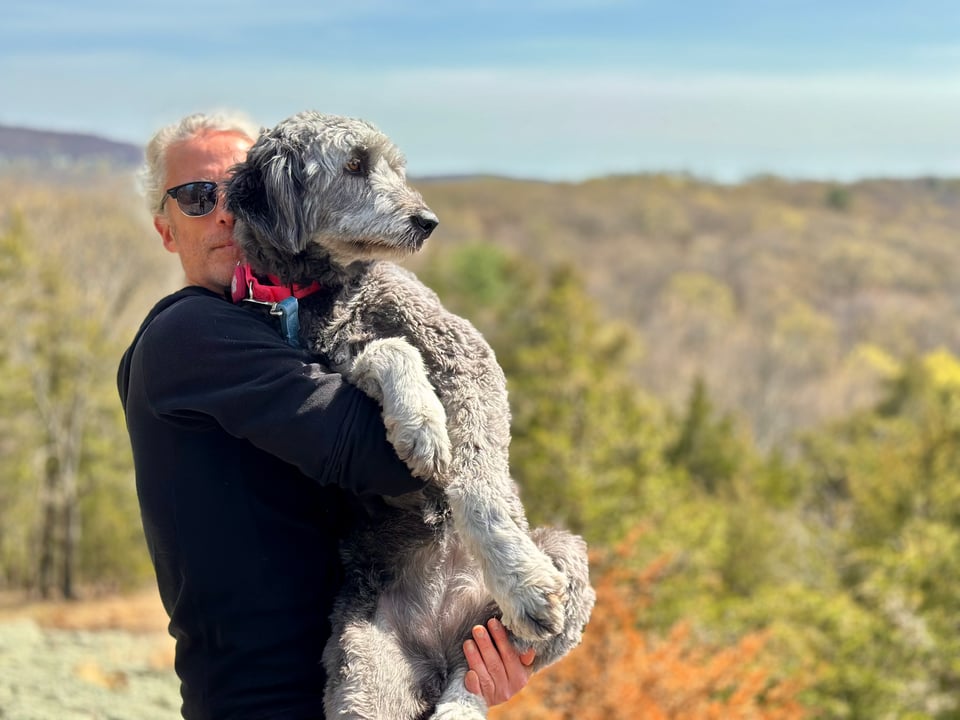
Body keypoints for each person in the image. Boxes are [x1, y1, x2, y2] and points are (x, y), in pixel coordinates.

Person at [117, 112, 534, 719]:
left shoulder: (303, 321)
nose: (229, 212)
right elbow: (393, 463)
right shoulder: (190, 334)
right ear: (165, 230)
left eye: (243, 189)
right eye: (199, 197)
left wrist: (476, 661)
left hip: (389, 682)